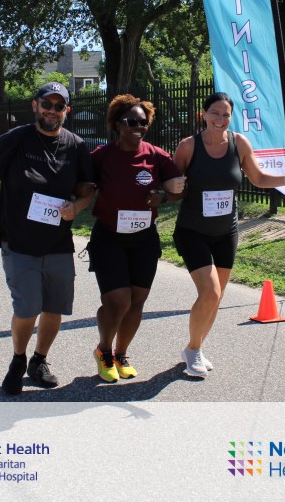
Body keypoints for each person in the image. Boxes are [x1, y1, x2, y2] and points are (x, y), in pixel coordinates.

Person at [172, 92, 285, 377]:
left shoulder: (239, 143)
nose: (220, 119)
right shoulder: (188, 146)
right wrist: (172, 187)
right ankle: (193, 349)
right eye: (215, 113)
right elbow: (171, 185)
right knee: (210, 292)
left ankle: (196, 348)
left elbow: (258, 178)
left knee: (217, 296)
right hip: (192, 231)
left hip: (226, 232)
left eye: (226, 114)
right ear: (204, 114)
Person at [0, 82, 94, 396]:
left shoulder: (76, 145)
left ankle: (39, 360)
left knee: (54, 307)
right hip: (19, 241)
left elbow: (87, 190)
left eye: (58, 106)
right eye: (46, 104)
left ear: (67, 111)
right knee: (27, 308)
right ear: (35, 105)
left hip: (58, 242)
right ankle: (18, 359)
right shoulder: (16, 139)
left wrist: (76, 207)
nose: (52, 111)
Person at [87, 94, 186, 382]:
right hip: (109, 238)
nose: (138, 127)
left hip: (144, 239)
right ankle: (104, 350)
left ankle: (121, 353)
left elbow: (180, 190)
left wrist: (163, 197)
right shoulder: (102, 156)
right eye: (132, 122)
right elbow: (81, 184)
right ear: (117, 124)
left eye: (143, 122)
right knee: (118, 301)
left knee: (137, 302)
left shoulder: (157, 156)